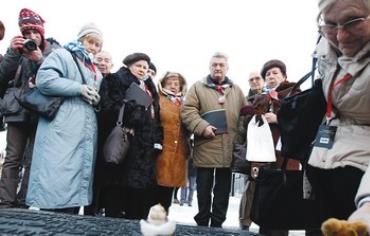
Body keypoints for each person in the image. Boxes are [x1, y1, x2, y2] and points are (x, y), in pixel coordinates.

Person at [26, 22, 103, 214]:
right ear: (80, 39)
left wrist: (96, 100)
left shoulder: (95, 69)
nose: (93, 47)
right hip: (61, 124)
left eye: (97, 45)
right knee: (55, 176)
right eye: (90, 41)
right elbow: (45, 79)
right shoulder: (62, 55)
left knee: (75, 180)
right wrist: (79, 88)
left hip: (84, 127)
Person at [305, 0, 370, 227]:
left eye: (352, 21)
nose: (341, 36)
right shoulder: (324, 45)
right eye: (331, 24)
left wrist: (367, 205)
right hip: (323, 158)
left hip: (361, 174)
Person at [0, 8, 60, 208]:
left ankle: (25, 199)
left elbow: (57, 79)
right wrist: (11, 53)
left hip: (40, 111)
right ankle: (6, 200)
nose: (31, 37)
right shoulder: (17, 52)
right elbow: (2, 77)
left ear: (42, 32)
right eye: (26, 33)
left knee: (34, 158)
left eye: (35, 32)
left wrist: (40, 59)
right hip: (16, 111)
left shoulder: (53, 51)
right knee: (12, 157)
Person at [181, 52, 245, 227]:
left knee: (223, 190)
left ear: (227, 68)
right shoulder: (197, 87)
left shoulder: (237, 90)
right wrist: (203, 127)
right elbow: (187, 111)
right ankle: (202, 222)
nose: (218, 68)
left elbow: (243, 116)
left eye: (221, 65)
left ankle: (217, 224)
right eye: (214, 65)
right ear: (209, 67)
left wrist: (238, 138)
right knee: (203, 188)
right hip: (206, 146)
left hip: (228, 148)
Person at [99, 52, 163, 220]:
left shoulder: (150, 87)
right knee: (117, 188)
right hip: (125, 140)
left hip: (144, 145)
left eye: (145, 67)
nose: (142, 70)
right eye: (138, 66)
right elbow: (108, 107)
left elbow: (156, 117)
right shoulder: (115, 80)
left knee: (138, 193)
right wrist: (135, 111)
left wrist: (157, 139)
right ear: (129, 65)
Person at [84, 50, 114, 216]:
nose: (102, 63)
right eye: (99, 59)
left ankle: (95, 210)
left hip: (106, 134)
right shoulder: (87, 77)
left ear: (112, 65)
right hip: (85, 128)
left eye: (106, 60)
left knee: (100, 174)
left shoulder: (114, 81)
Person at [155, 71, 189, 212]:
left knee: (169, 187)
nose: (173, 86)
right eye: (169, 83)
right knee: (157, 185)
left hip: (179, 152)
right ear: (162, 85)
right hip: (161, 149)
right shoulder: (158, 99)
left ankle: (164, 217)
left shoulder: (186, 103)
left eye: (177, 83)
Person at [237, 71, 265, 230]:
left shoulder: (272, 98)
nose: (254, 82)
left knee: (268, 187)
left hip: (272, 150)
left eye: (257, 78)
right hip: (252, 150)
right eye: (251, 80)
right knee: (250, 187)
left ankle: (266, 222)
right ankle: (244, 223)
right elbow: (241, 128)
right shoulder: (246, 102)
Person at [180, 137, 196, 207]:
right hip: (185, 170)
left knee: (191, 187)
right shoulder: (185, 150)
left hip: (193, 171)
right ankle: (182, 200)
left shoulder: (195, 151)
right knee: (184, 186)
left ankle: (189, 201)